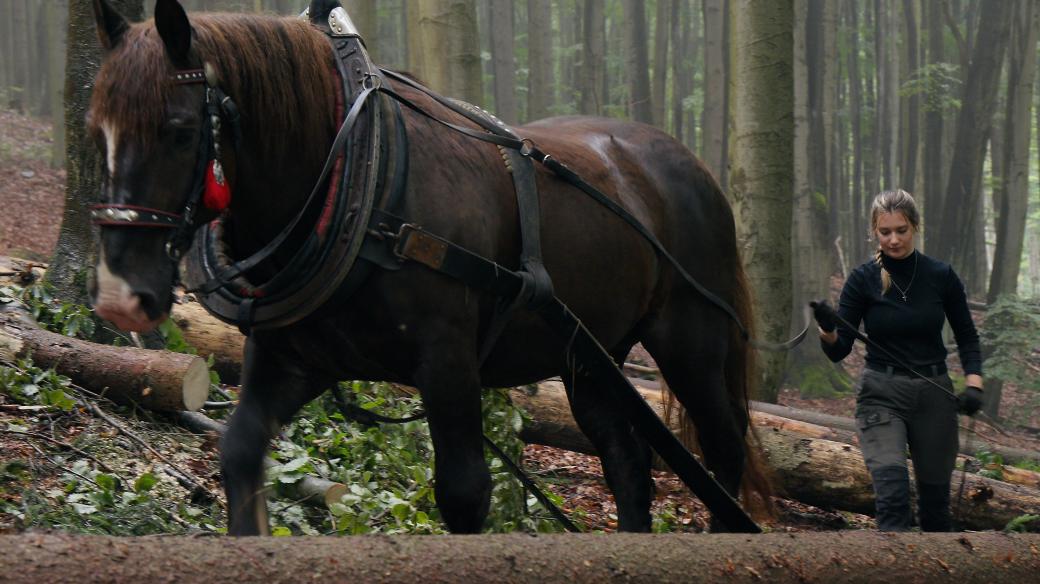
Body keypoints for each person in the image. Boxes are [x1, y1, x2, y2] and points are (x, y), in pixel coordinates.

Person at [812, 189, 983, 532]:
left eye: (901, 230)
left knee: (936, 511)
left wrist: (974, 385)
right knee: (892, 499)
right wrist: (828, 328)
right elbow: (838, 351)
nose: (893, 240)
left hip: (934, 394)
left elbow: (967, 335)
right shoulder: (862, 280)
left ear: (915, 227)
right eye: (885, 232)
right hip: (881, 393)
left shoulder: (941, 276)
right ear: (874, 232)